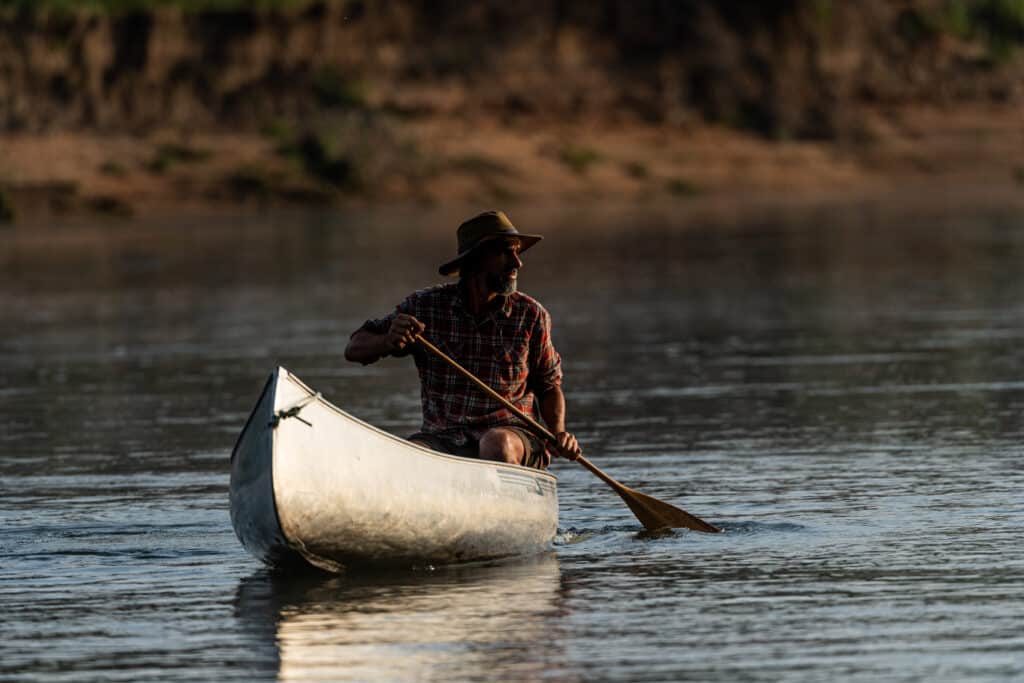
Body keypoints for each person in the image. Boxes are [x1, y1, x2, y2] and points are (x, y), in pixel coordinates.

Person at [345, 210, 582, 469]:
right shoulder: (426, 307)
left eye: (517, 252)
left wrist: (558, 432)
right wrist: (388, 341)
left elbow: (548, 386)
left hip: (513, 437)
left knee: (495, 444)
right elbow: (354, 348)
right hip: (442, 438)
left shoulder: (531, 315)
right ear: (476, 259)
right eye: (506, 252)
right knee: (409, 456)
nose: (517, 263)